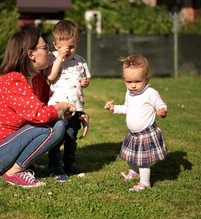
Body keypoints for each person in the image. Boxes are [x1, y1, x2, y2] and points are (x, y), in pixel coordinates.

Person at [0, 27, 76, 188]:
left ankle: (22, 163)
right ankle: (14, 171)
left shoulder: (36, 80)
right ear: (31, 54)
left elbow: (46, 106)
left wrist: (77, 113)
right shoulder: (13, 80)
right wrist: (63, 106)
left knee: (57, 123)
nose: (50, 53)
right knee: (55, 127)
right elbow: (41, 114)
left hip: (9, 146)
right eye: (45, 48)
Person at [104, 55, 167, 191]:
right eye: (129, 81)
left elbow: (160, 104)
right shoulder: (129, 93)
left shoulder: (150, 93)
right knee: (130, 156)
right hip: (133, 134)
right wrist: (114, 108)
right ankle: (134, 172)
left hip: (145, 134)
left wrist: (162, 109)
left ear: (147, 78)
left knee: (143, 161)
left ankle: (145, 183)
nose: (133, 85)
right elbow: (127, 108)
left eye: (137, 81)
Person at [44, 20, 91, 181]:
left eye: (71, 47)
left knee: (71, 138)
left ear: (76, 43)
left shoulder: (81, 60)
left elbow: (86, 79)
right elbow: (50, 77)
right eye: (63, 47)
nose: (68, 50)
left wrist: (85, 82)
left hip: (76, 107)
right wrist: (60, 58)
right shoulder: (52, 58)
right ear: (55, 45)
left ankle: (69, 164)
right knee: (57, 138)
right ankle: (55, 168)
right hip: (58, 109)